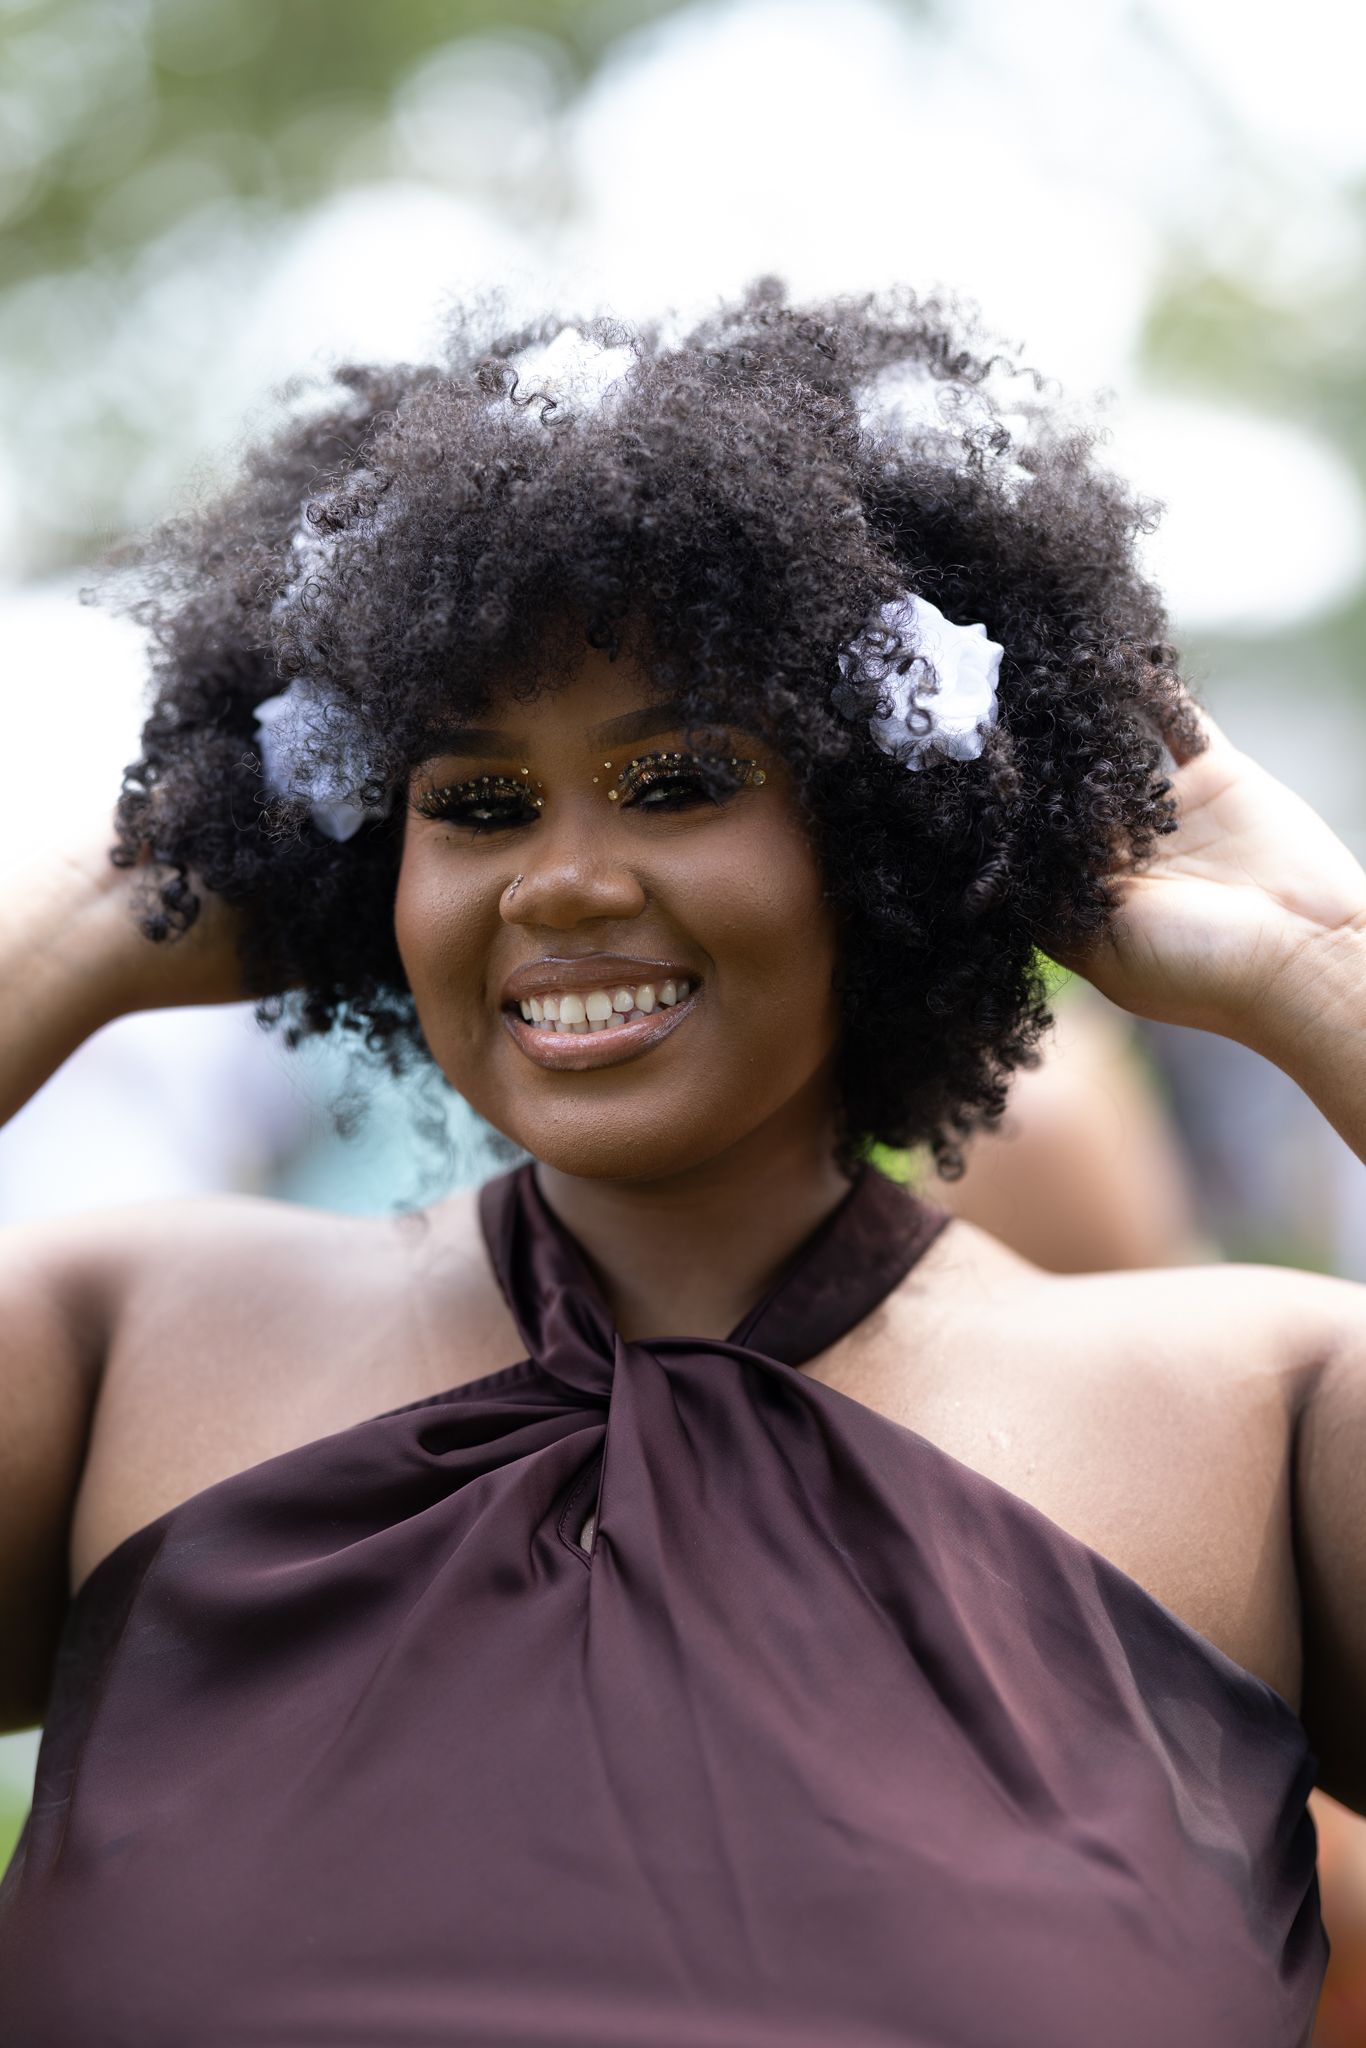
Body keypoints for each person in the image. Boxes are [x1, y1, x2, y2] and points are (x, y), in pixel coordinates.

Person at [1, 284, 1363, 2046]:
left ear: (876, 832)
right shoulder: (119, 1339)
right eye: (476, 803)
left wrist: (1323, 970)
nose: (561, 880)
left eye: (673, 781)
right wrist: (67, 943)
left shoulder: (1262, 1411)